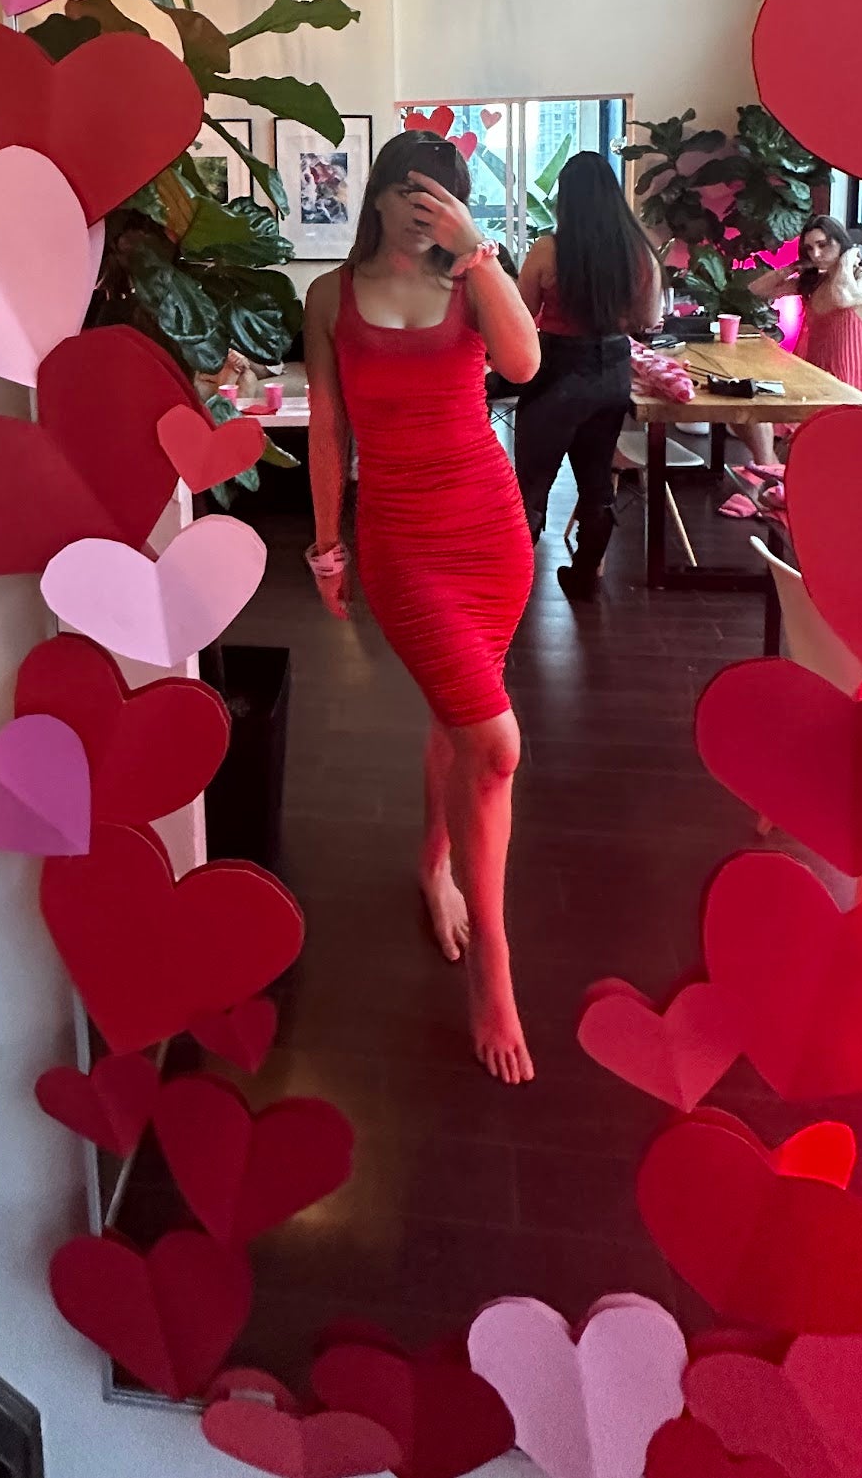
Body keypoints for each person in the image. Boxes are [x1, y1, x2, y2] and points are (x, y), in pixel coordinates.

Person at [303, 134, 542, 1084]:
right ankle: (494, 961)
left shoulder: (474, 278)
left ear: (459, 202)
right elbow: (328, 425)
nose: (421, 208)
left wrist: (478, 251)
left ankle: (435, 865)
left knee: (460, 720)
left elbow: (522, 366)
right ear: (379, 194)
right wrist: (327, 543)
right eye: (407, 191)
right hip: (403, 541)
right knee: (496, 744)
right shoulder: (330, 296)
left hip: (492, 532)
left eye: (439, 195)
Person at [513, 153, 664, 601]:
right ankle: (584, 576)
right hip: (612, 370)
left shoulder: (548, 250)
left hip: (557, 370)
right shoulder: (641, 255)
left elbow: (520, 319)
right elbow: (649, 318)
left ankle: (513, 584)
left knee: (531, 485)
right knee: (596, 480)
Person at [730, 215, 862, 482]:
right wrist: (793, 266)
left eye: (823, 245)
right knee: (742, 403)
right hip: (814, 376)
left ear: (842, 242)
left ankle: (773, 474)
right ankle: (770, 467)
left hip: (854, 384)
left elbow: (844, 297)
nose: (816, 254)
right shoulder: (815, 282)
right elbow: (758, 289)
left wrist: (847, 262)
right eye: (810, 248)